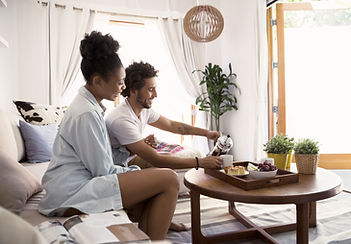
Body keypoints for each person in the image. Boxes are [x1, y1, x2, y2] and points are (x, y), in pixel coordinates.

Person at [38, 31, 179, 240]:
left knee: (153, 184)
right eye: (120, 82)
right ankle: (157, 236)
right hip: (72, 192)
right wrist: (134, 171)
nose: (123, 87)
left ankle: (153, 232)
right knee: (169, 179)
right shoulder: (86, 113)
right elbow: (102, 170)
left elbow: (101, 159)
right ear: (97, 81)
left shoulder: (90, 106)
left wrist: (134, 171)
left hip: (76, 184)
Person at [105, 61, 223, 170]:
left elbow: (171, 125)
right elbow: (157, 160)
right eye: (150, 89)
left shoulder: (143, 109)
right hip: (116, 168)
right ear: (133, 90)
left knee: (168, 157)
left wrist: (207, 133)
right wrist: (201, 162)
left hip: (128, 158)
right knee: (164, 165)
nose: (155, 95)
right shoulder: (122, 119)